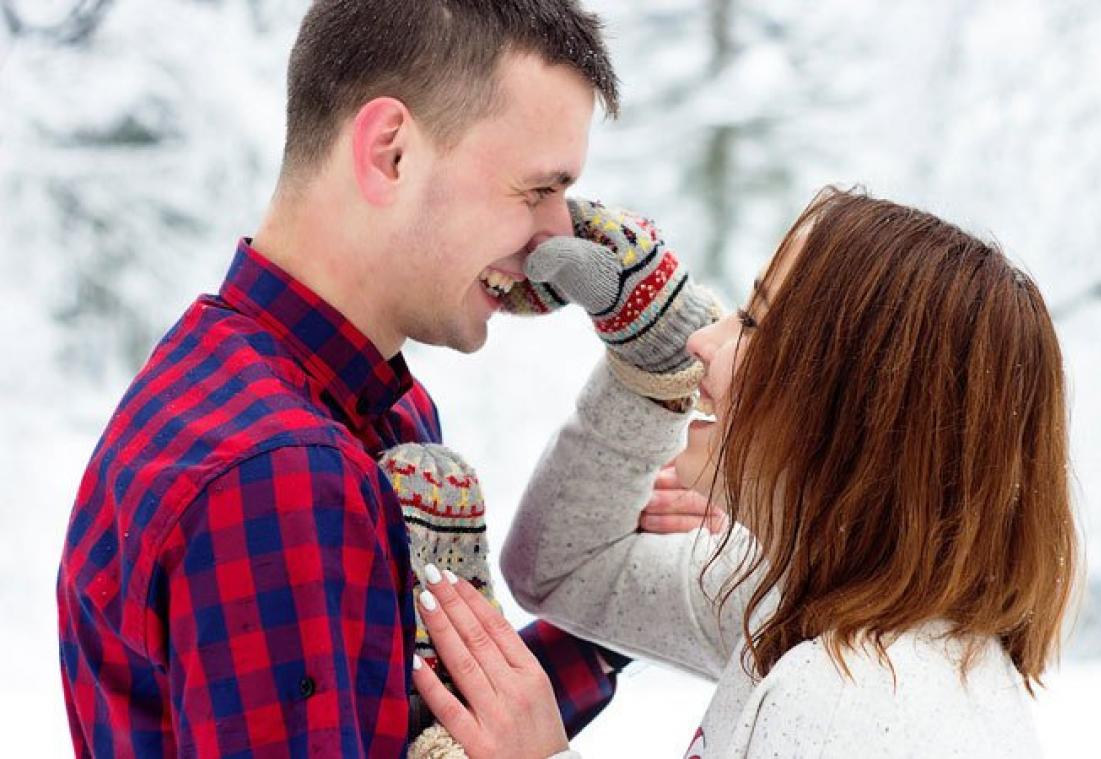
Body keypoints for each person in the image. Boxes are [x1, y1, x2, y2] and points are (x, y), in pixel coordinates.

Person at [56, 2, 706, 755]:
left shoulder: (354, 408)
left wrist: (609, 599)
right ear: (390, 152)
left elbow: (393, 722)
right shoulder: (280, 476)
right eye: (536, 191)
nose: (559, 236)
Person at [407, 188, 1079, 758]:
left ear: (841, 405)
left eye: (752, 321)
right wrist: (650, 357)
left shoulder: (851, 699)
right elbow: (563, 569)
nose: (706, 338)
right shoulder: (800, 601)